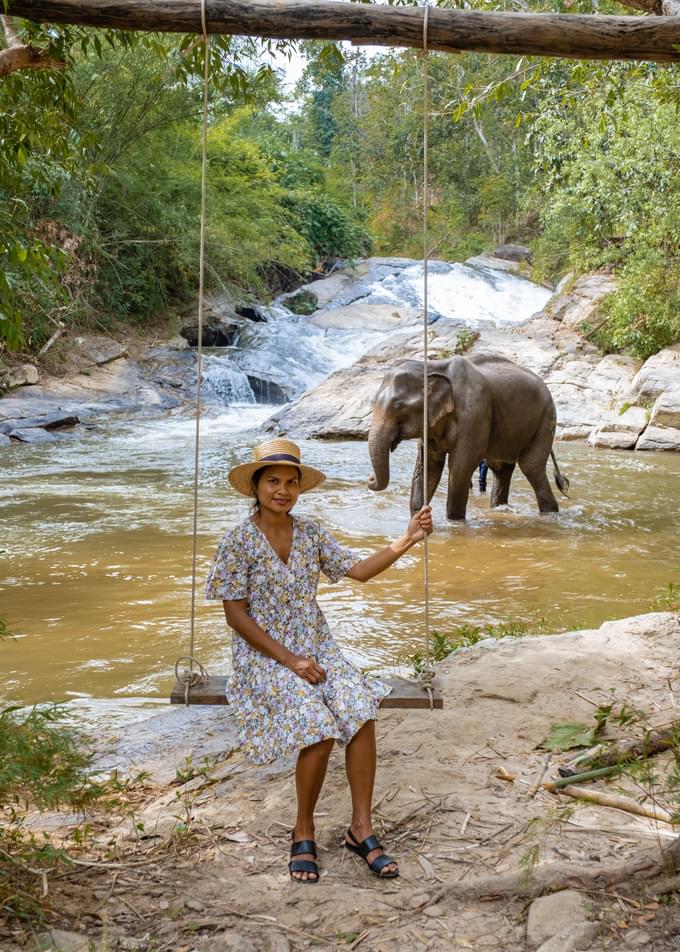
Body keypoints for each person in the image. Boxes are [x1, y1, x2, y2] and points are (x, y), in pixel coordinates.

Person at [206, 438, 433, 884]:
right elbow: (235, 615)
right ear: (255, 486)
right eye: (273, 481)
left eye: (291, 482)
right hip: (264, 656)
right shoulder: (237, 542)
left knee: (358, 709)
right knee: (317, 723)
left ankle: (360, 828)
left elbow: (360, 571)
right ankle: (303, 830)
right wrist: (290, 660)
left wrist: (407, 538)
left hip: (318, 647)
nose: (283, 490)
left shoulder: (309, 533)